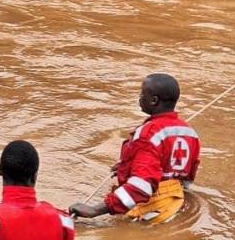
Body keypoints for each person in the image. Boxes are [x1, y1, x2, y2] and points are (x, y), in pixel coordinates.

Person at [69, 73, 201, 224]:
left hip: (152, 211)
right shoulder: (189, 132)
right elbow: (187, 175)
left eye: (142, 93)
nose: (139, 97)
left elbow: (142, 186)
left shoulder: (148, 133)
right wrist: (128, 165)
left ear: (154, 100)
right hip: (177, 205)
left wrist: (95, 210)